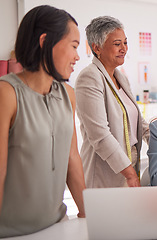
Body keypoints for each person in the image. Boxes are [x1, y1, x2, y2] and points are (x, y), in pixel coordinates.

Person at [0, 5, 85, 237]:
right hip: (12, 233)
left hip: (57, 226)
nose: (78, 56)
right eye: (74, 46)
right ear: (45, 40)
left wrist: (90, 216)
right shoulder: (6, 93)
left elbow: (72, 159)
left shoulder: (68, 94)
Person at [75, 16, 149, 188]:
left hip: (129, 167)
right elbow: (100, 136)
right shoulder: (89, 77)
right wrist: (130, 174)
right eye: (117, 44)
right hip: (106, 174)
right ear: (96, 47)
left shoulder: (120, 76)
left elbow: (139, 122)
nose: (124, 48)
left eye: (125, 42)